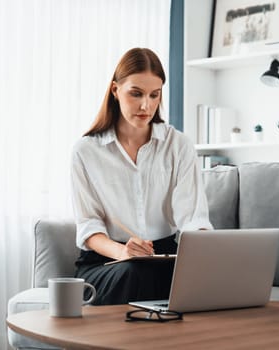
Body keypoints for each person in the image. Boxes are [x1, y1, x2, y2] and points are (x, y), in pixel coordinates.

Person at [70, 48, 213, 305]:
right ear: (115, 90)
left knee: (200, 279)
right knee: (134, 273)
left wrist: (204, 251)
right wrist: (123, 252)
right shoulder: (86, 151)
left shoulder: (178, 145)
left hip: (164, 258)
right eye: (135, 94)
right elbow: (89, 227)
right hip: (108, 262)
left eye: (154, 95)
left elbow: (192, 218)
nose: (146, 105)